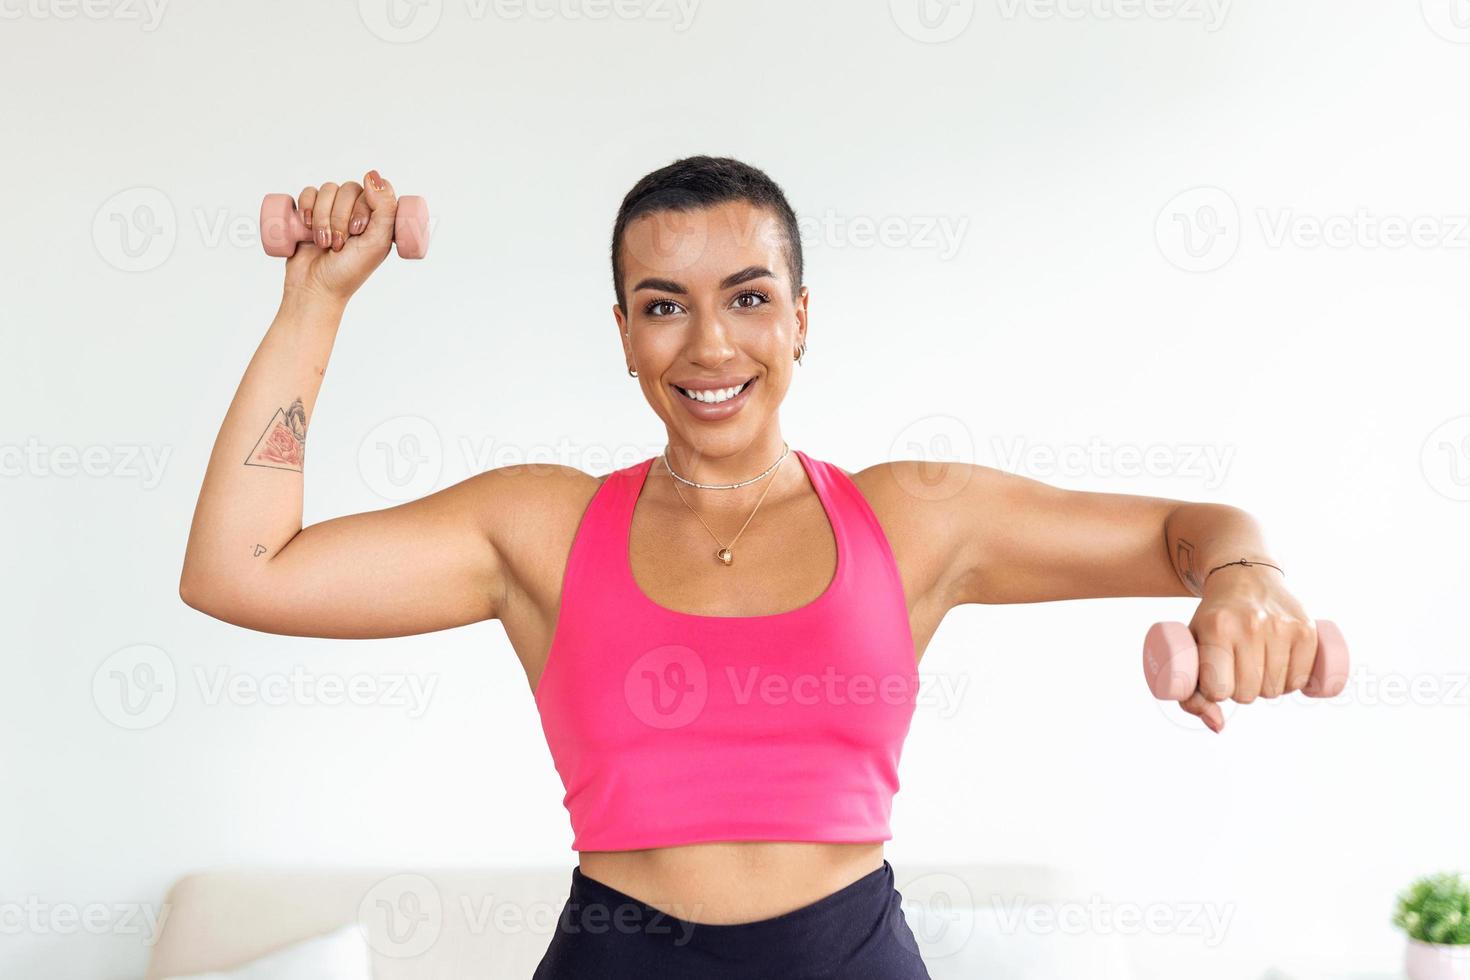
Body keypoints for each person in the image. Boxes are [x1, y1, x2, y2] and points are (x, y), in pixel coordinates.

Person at [180, 156, 1324, 978]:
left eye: (749, 298)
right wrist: (315, 305)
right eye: (665, 306)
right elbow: (244, 566)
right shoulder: (538, 525)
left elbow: (1194, 525)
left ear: (801, 319)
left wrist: (1244, 574)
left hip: (850, 955)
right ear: (624, 332)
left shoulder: (915, 518)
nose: (711, 344)